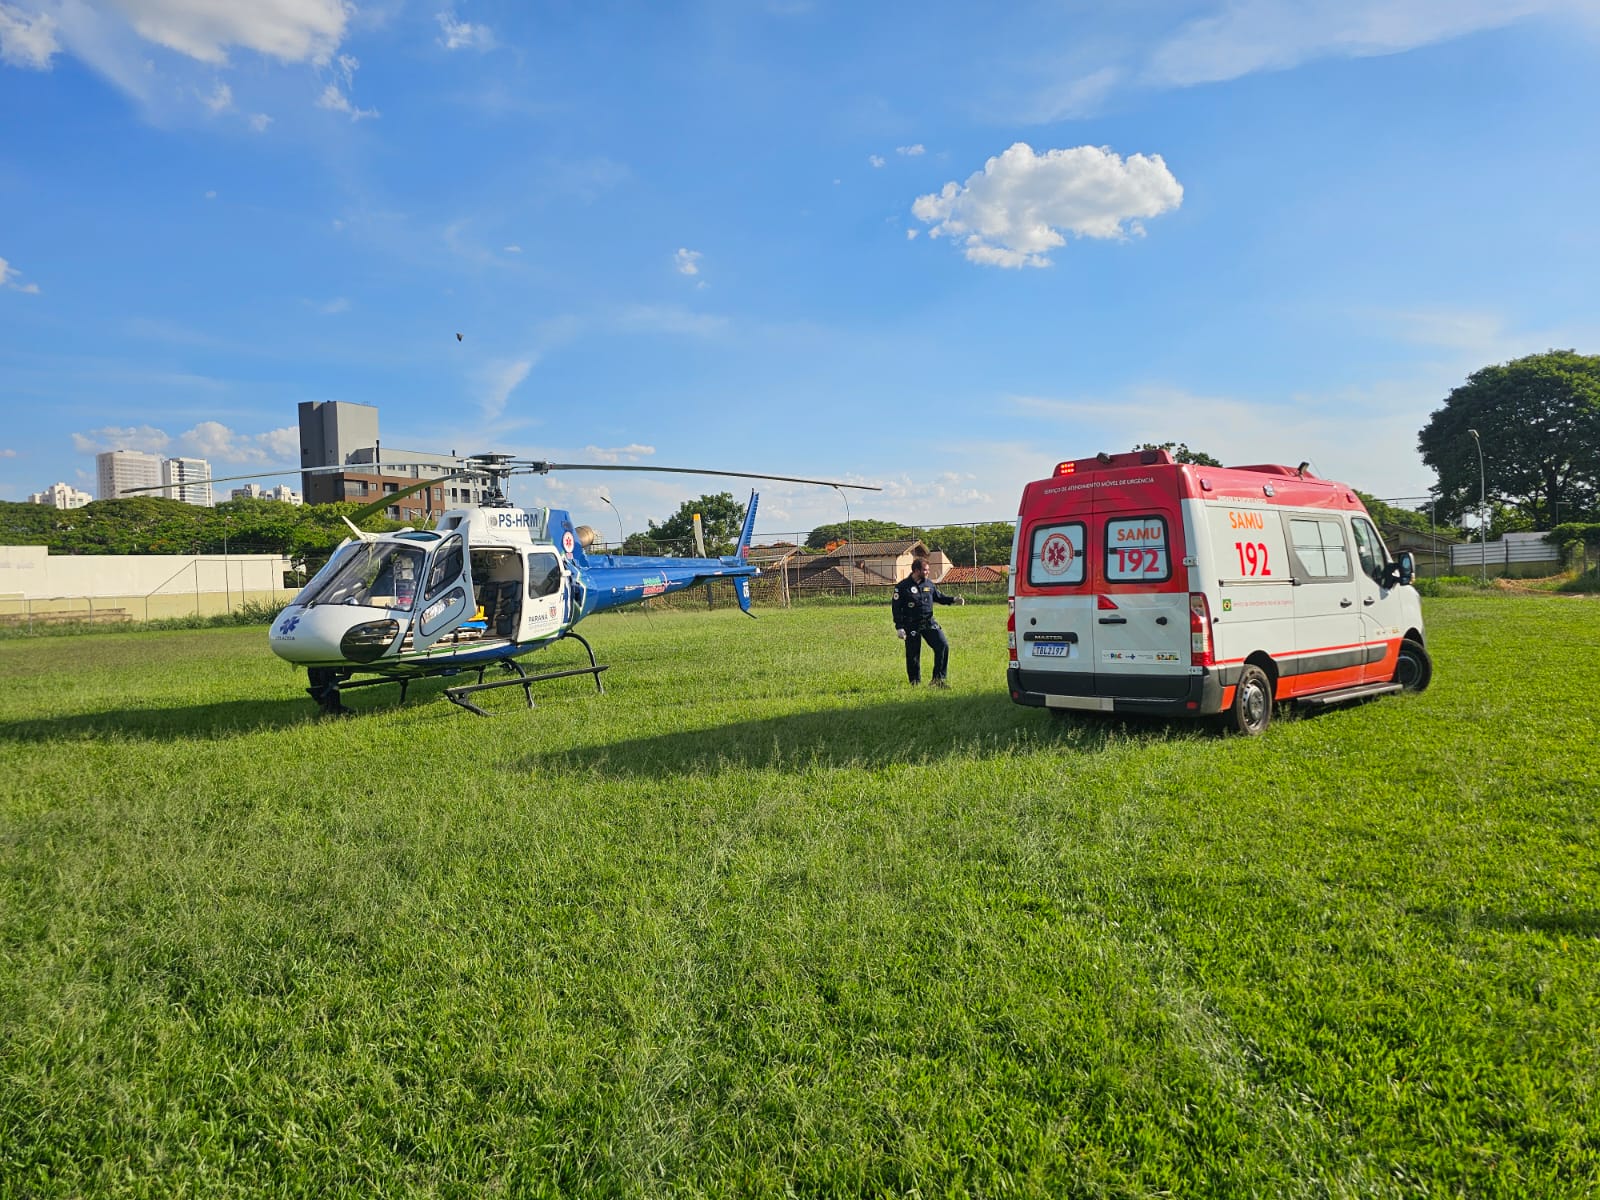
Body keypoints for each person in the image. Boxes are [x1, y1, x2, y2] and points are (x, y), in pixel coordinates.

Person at [892, 557, 964, 687]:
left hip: (928, 622)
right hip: (911, 624)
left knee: (942, 646)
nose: (927, 572)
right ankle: (915, 683)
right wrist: (899, 627)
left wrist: (953, 600)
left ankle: (938, 680)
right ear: (916, 570)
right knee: (913, 655)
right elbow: (896, 608)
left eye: (928, 570)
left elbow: (939, 597)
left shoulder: (929, 584)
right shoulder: (902, 587)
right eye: (925, 570)